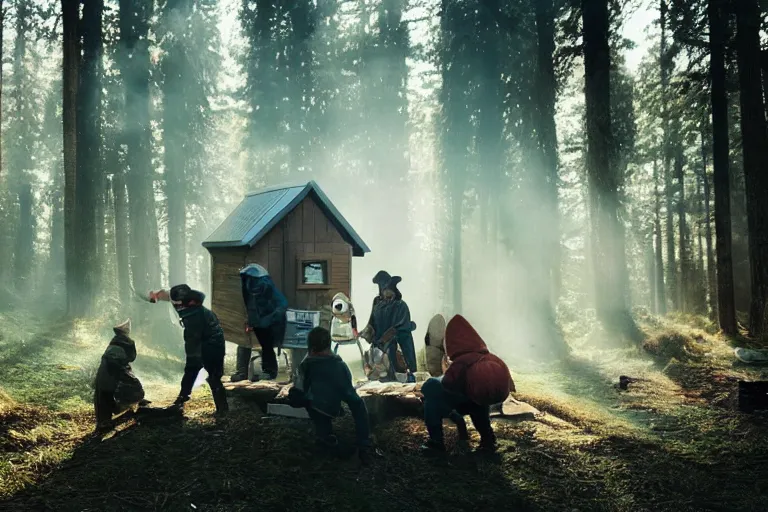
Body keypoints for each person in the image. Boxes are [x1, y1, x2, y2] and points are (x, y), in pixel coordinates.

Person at [420, 314, 515, 454]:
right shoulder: (490, 357)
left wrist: (433, 382)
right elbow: (510, 383)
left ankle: (436, 443)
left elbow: (447, 383)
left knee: (431, 399)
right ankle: (488, 440)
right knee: (480, 408)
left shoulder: (462, 361)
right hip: (480, 402)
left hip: (462, 402)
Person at [289, 326, 372, 464]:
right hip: (318, 405)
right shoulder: (313, 365)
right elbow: (298, 391)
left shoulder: (328, 365)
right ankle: (334, 442)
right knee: (355, 406)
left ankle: (357, 444)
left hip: (322, 405)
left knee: (356, 406)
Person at [166, 284, 229, 416]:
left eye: (178, 303)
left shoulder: (194, 315)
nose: (176, 306)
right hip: (207, 345)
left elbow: (193, 339)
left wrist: (193, 357)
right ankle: (181, 401)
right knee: (191, 373)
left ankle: (222, 410)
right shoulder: (192, 308)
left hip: (211, 347)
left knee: (213, 377)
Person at [232, 264, 288, 382]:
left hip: (268, 324)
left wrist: (270, 319)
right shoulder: (245, 287)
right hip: (253, 322)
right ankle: (242, 372)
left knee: (266, 346)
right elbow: (245, 304)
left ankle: (269, 371)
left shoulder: (267, 287)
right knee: (243, 343)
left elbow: (282, 304)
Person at [93, 319, 148, 432]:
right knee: (133, 386)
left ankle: (103, 421)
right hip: (118, 367)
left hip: (105, 367)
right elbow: (132, 357)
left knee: (103, 392)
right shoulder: (129, 342)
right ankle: (129, 405)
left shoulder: (113, 341)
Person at [370, 276, 418, 382]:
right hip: (381, 345)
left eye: (389, 291)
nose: (387, 294)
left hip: (398, 342)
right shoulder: (378, 305)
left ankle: (407, 376)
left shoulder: (401, 305)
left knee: (400, 366)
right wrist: (366, 333)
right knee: (382, 368)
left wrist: (386, 338)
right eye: (384, 291)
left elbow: (401, 326)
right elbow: (372, 323)